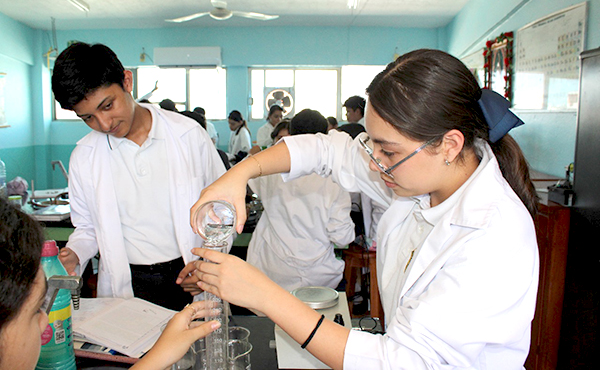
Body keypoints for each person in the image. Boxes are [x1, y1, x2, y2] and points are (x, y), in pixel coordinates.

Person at [182, 49, 539, 369]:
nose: (373, 163)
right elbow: (326, 151)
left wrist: (264, 294)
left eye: (389, 152)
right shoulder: (427, 179)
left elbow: (402, 363)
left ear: (449, 145)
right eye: (372, 145)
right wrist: (239, 173)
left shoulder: (493, 236)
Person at [51, 42, 227, 310]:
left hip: (188, 276)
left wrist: (207, 263)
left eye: (108, 105)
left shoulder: (188, 136)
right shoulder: (85, 157)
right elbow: (87, 227)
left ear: (127, 81)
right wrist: (75, 253)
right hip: (128, 283)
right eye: (88, 118)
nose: (104, 124)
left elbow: (223, 210)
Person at [0, 197, 219, 370]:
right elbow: (87, 226)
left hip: (178, 274)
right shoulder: (87, 154)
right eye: (36, 310)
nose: (44, 322)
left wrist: (155, 359)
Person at [246, 109, 354, 291]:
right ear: (324, 137)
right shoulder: (334, 178)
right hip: (317, 276)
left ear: (291, 134)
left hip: (271, 269)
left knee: (268, 315)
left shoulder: (272, 168)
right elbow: (342, 237)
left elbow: (250, 182)